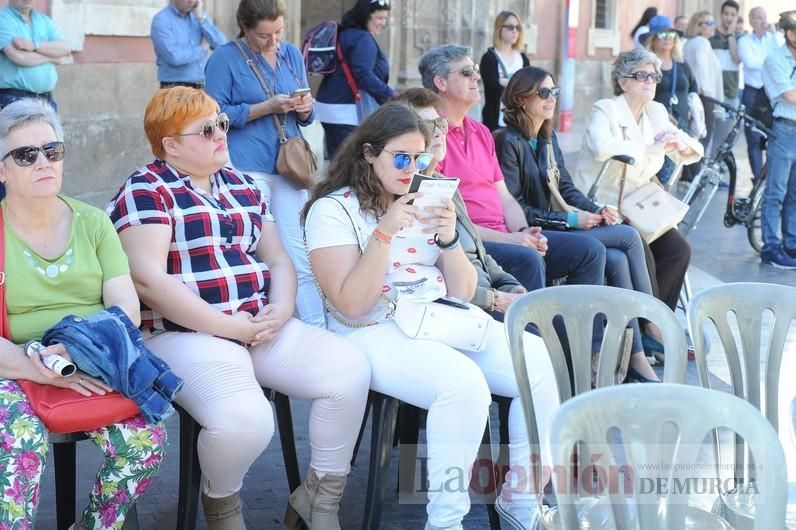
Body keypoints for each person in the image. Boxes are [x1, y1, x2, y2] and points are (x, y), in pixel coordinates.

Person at [107, 87, 371, 530]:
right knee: (246, 421)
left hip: (259, 324)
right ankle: (222, 506)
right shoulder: (147, 189)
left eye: (221, 124)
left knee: (349, 370)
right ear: (170, 145)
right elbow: (147, 280)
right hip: (184, 334)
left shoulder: (244, 184)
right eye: (205, 129)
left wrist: (282, 308)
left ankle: (319, 499)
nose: (219, 134)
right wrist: (229, 326)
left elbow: (279, 260)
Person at [303, 100, 560, 530]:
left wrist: (447, 239)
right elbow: (350, 303)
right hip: (372, 328)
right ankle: (445, 522)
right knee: (462, 385)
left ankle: (521, 500)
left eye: (420, 158)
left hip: (440, 316)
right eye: (401, 158)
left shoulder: (428, 196)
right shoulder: (334, 210)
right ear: (368, 153)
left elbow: (461, 291)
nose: (412, 168)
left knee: (537, 360)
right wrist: (384, 230)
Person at [0, 99, 166, 529]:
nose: (43, 162)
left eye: (52, 151)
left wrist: (84, 353)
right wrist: (39, 367)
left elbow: (125, 307)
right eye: (25, 154)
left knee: (145, 441)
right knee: (22, 442)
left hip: (93, 357)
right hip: (11, 363)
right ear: (2, 170)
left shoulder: (94, 222)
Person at [494, 66, 660, 382]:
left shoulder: (546, 135)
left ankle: (633, 355)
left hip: (558, 225)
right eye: (543, 92)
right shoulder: (508, 141)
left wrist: (597, 210)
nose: (551, 98)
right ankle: (648, 326)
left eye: (554, 92)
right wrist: (572, 219)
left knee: (617, 256)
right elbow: (515, 209)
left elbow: (566, 188)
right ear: (520, 98)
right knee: (626, 236)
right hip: (536, 231)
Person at [418, 44, 606, 298]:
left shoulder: (482, 132)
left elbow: (505, 196)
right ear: (440, 82)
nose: (477, 76)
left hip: (506, 235)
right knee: (529, 259)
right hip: (471, 244)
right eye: (466, 72)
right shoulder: (430, 137)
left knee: (590, 251)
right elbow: (450, 223)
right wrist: (511, 240)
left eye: (475, 70)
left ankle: (574, 336)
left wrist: (521, 232)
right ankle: (531, 335)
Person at [205, 0, 325, 327]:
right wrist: (266, 107)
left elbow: (308, 115)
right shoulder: (224, 58)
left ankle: (317, 330)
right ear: (245, 28)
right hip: (245, 165)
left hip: (289, 167)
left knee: (300, 252)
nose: (273, 41)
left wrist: (303, 108)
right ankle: (263, 327)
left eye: (278, 32)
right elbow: (214, 117)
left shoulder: (290, 54)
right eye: (263, 35)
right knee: (256, 253)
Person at [573, 49, 703, 314]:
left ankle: (657, 319)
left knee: (679, 249)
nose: (649, 81)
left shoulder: (655, 112)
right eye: (641, 75)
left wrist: (680, 142)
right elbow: (600, 147)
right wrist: (651, 147)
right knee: (643, 252)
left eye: (653, 77)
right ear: (623, 82)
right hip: (603, 207)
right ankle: (650, 326)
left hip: (640, 209)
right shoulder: (606, 109)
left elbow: (694, 150)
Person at [315, 0, 395, 158]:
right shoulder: (363, 39)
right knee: (349, 164)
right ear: (366, 16)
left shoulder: (344, 33)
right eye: (379, 18)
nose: (383, 23)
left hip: (329, 106)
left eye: (385, 18)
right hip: (346, 111)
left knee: (337, 161)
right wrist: (391, 96)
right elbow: (364, 75)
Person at [759, 10, 796, 269]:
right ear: (790, 33)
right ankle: (771, 247)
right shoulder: (775, 59)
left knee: (795, 193)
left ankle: (791, 244)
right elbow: (789, 95)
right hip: (784, 130)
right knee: (776, 193)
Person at [739, 6, 785, 181]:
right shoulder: (744, 41)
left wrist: (774, 35)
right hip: (752, 93)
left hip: (771, 95)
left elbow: (782, 57)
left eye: (765, 17)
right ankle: (757, 179)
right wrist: (771, 62)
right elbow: (750, 62)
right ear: (751, 21)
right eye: (758, 18)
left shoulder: (774, 39)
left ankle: (768, 178)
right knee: (753, 139)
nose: (763, 21)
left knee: (774, 137)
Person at [0, 0, 70, 110]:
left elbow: (65, 49)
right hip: (15, 99)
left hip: (46, 100)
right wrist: (52, 57)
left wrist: (33, 46)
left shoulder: (44, 20)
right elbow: (18, 57)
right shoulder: (2, 19)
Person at [150, 0, 227, 89]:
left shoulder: (199, 16)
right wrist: (202, 49)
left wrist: (201, 19)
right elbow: (174, 57)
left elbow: (222, 45)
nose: (191, 1)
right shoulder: (161, 20)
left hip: (202, 88)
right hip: (174, 89)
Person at [479, 11, 530, 131]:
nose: (515, 31)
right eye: (510, 27)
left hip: (519, 120)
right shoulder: (489, 57)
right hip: (495, 122)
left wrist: (504, 82)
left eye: (518, 28)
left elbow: (528, 87)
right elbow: (492, 91)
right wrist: (517, 84)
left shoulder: (522, 58)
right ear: (499, 28)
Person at [684, 11, 725, 144]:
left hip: (692, 95)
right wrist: (703, 87)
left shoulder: (689, 43)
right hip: (704, 97)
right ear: (698, 25)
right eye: (709, 23)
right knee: (702, 141)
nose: (713, 26)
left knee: (691, 139)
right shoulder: (703, 42)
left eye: (714, 23)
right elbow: (700, 62)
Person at [709, 0, 743, 107]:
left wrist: (730, 35)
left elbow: (736, 59)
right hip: (712, 93)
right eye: (726, 14)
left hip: (731, 93)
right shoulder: (711, 37)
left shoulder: (740, 39)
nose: (729, 18)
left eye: (733, 15)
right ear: (721, 14)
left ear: (737, 17)